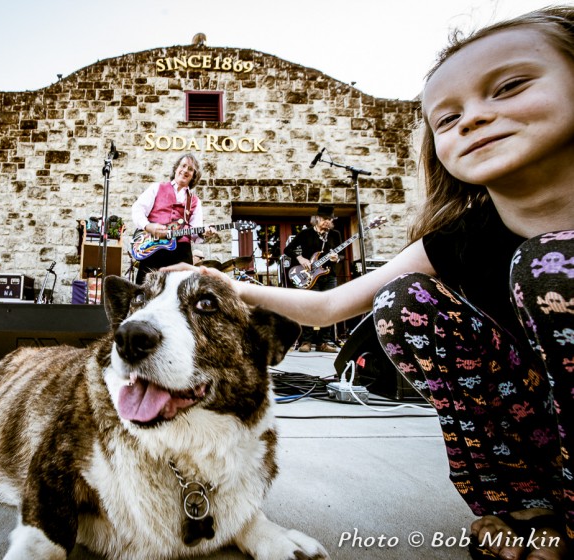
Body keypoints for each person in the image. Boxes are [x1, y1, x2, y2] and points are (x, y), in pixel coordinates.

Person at [167, 7, 574, 558]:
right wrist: (225, 284)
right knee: (402, 303)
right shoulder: (457, 239)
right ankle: (521, 502)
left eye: (510, 86)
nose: (474, 118)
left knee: (547, 263)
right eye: (447, 118)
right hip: (538, 416)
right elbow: (328, 304)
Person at [131, 153, 214, 284]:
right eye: (183, 166)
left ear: (193, 175)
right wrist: (148, 226)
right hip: (153, 248)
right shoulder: (157, 188)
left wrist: (203, 232)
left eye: (190, 169)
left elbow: (195, 231)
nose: (186, 170)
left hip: (181, 252)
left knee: (182, 292)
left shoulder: (195, 201)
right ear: (176, 168)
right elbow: (137, 209)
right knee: (145, 290)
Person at [283, 207, 342, 352]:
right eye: (324, 219)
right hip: (309, 275)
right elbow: (288, 249)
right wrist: (301, 258)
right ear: (317, 218)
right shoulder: (306, 234)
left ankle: (323, 342)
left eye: (330, 219)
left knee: (329, 307)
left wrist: (336, 258)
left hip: (329, 275)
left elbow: (342, 255)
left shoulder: (335, 235)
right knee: (309, 306)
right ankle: (306, 341)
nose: (327, 222)